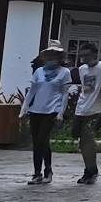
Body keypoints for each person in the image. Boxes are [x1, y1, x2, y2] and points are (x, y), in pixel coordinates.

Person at [22, 41, 73, 186]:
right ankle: (37, 172)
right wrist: (24, 108)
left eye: (55, 55)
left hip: (52, 110)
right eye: (49, 54)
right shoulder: (39, 72)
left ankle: (47, 170)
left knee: (41, 139)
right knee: (37, 142)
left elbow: (64, 94)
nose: (52, 57)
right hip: (36, 109)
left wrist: (60, 113)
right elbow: (32, 91)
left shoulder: (64, 72)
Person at [72, 56, 101, 184]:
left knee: (87, 139)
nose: (86, 60)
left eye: (88, 56)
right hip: (81, 108)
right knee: (81, 141)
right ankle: (88, 168)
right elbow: (84, 88)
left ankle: (91, 170)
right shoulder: (82, 69)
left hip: (95, 109)